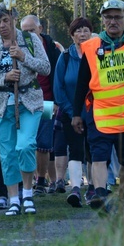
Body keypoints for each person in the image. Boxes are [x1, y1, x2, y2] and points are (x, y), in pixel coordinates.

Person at [72, 0, 124, 211]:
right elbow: (81, 84)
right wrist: (76, 114)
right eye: (108, 17)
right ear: (103, 20)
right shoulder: (90, 48)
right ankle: (99, 195)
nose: (112, 21)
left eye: (117, 17)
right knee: (99, 158)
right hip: (101, 115)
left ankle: (123, 198)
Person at [0, 3, 50, 216]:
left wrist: (23, 57)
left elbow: (46, 67)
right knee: (7, 154)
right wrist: (4, 78)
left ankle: (27, 194)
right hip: (1, 106)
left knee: (25, 146)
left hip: (29, 101)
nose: (2, 25)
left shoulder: (29, 40)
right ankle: (13, 199)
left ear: (14, 20)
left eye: (6, 20)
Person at [20, 15, 62, 195]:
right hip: (24, 101)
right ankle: (28, 179)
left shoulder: (53, 48)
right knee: (27, 142)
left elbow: (58, 76)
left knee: (44, 143)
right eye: (25, 31)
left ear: (40, 29)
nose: (29, 33)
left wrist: (56, 102)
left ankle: (41, 181)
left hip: (46, 100)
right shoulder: (18, 47)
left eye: (32, 30)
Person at [54, 17, 93, 206]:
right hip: (71, 114)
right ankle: (76, 188)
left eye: (86, 30)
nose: (83, 34)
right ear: (72, 35)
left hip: (96, 113)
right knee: (75, 149)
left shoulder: (98, 55)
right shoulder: (66, 57)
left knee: (94, 150)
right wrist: (72, 111)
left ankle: (95, 187)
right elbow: (58, 87)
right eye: (78, 31)